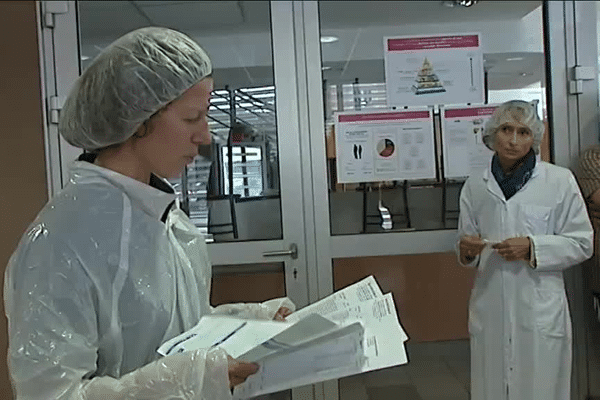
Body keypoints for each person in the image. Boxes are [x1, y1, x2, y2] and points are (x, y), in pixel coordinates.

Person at [4, 27, 294, 400]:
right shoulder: (61, 244)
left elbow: (177, 333)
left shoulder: (170, 223)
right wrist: (182, 381)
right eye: (193, 118)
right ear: (138, 119)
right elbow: (50, 394)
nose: (205, 136)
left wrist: (249, 326)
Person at [456, 100, 593, 400]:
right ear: (493, 133)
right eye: (506, 129)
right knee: (492, 388)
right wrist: (467, 252)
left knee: (541, 389)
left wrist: (533, 247)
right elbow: (468, 246)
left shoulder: (558, 182)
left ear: (535, 138)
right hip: (490, 306)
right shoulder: (475, 187)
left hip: (539, 308)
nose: (514, 140)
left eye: (524, 132)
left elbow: (582, 242)